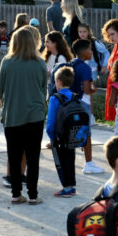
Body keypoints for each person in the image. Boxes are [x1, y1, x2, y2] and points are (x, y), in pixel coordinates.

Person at [0, 28, 47, 205]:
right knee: (33, 157)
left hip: (12, 115)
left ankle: (16, 193)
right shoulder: (39, 62)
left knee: (14, 155)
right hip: (35, 115)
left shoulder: (7, 62)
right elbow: (44, 89)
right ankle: (33, 195)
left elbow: (0, 90)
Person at [68, 39, 104, 174]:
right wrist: (94, 88)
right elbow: (87, 89)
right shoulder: (86, 67)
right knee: (87, 132)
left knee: (74, 130)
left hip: (73, 102)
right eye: (89, 49)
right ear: (83, 52)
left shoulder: (72, 64)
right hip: (84, 102)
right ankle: (88, 163)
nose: (91, 52)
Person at [46, 66, 79, 197]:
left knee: (61, 161)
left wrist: (51, 136)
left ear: (58, 81)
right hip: (73, 135)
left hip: (59, 137)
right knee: (71, 160)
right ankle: (72, 185)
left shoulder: (55, 99)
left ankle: (66, 188)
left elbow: (51, 120)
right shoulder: (75, 96)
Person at [43, 31, 73, 97]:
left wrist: (50, 73)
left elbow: (64, 76)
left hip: (57, 92)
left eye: (47, 42)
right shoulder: (48, 56)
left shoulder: (61, 58)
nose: (45, 44)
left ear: (55, 43)